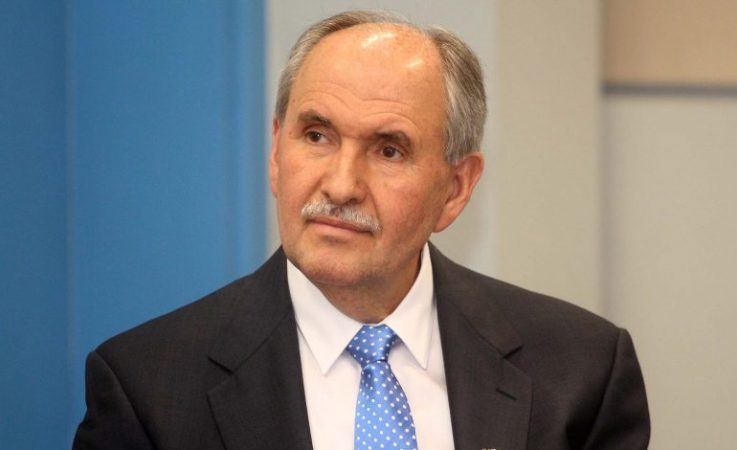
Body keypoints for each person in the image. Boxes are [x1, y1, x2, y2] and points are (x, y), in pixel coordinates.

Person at [73, 10, 649, 450]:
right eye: (316, 136)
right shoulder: (146, 389)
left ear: (455, 188)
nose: (341, 185)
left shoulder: (581, 372)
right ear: (275, 152)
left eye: (389, 149)